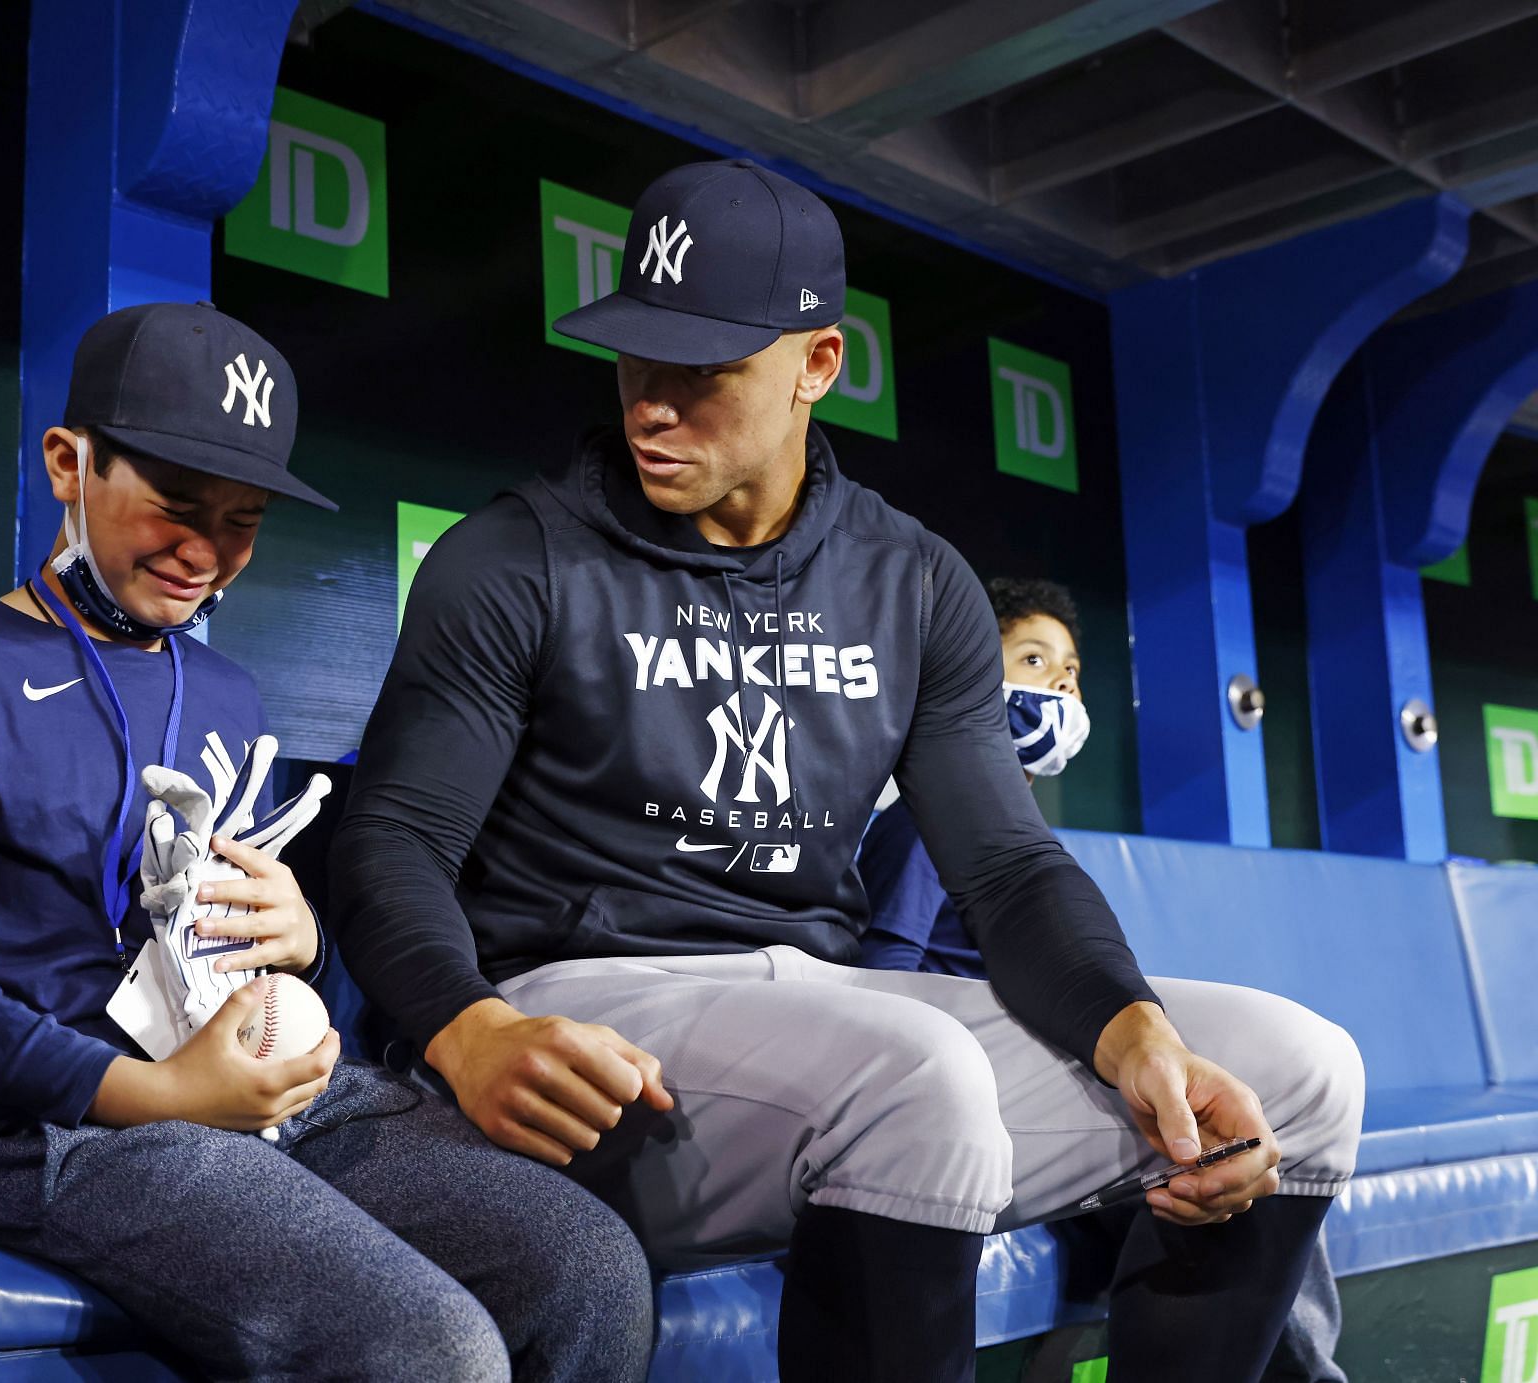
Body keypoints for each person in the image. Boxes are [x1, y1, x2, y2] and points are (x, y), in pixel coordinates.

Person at [330, 160, 1364, 1383]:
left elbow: (1009, 867)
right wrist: (466, 1026)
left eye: (702, 372)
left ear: (815, 366)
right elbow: (387, 838)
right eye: (634, 359)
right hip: (590, 1027)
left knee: (1299, 1068)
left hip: (820, 1014)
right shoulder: (514, 557)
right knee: (912, 1078)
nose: (652, 407)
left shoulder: (911, 580)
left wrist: (1132, 1030)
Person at [0, 302, 652, 1383]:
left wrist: (301, 937)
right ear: (69, 463)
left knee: (590, 1269)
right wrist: (158, 1096)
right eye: (175, 504)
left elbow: (228, 946)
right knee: (428, 1349)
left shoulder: (223, 687)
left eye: (243, 519)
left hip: (268, 1096)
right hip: (61, 1127)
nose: (205, 551)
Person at [860, 576, 1349, 1383]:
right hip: (966, 1097)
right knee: (1213, 1155)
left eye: (1072, 669)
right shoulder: (924, 815)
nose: (1059, 681)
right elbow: (878, 981)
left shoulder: (1019, 832)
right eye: (1032, 657)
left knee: (1248, 1147)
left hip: (1039, 1081)